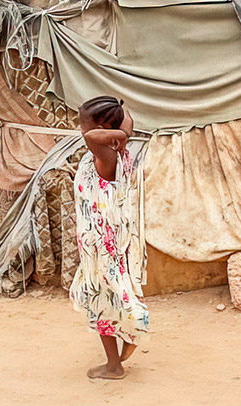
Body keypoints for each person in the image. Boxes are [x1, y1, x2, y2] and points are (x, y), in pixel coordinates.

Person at [72, 95, 147, 380]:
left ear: (102, 128)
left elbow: (92, 136)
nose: (81, 130)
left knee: (101, 301)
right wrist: (122, 130)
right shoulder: (116, 152)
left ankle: (115, 363)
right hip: (109, 241)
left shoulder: (105, 156)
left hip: (102, 246)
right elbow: (125, 114)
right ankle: (129, 333)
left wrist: (119, 133)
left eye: (83, 124)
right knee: (115, 295)